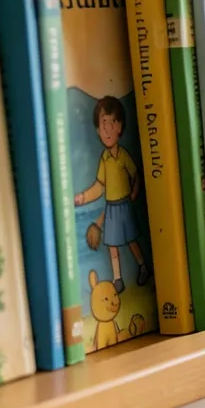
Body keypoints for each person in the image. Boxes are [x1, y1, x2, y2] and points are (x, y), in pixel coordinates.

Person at [75, 96, 149, 294]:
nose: (107, 129)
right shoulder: (104, 159)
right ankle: (118, 279)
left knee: (131, 240)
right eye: (103, 124)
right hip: (111, 207)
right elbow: (99, 186)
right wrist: (83, 197)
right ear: (98, 131)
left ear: (120, 127)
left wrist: (133, 195)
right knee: (112, 245)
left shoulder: (123, 155)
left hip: (124, 205)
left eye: (112, 122)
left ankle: (142, 266)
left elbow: (135, 175)